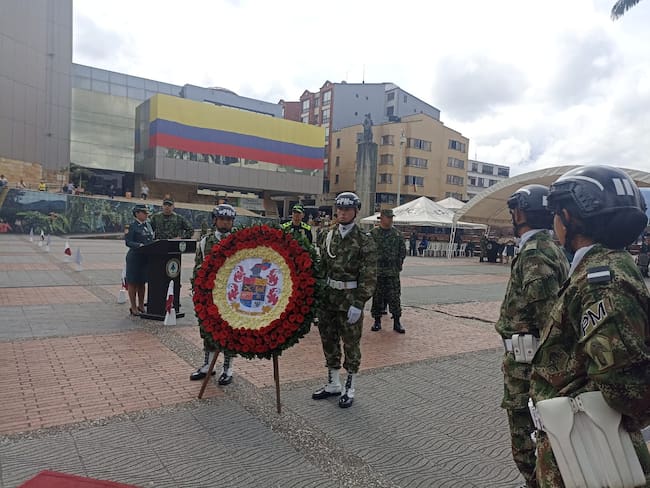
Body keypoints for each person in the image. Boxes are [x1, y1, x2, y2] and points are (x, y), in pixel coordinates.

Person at [529, 165, 650, 487]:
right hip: (582, 437)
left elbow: (624, 382)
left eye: (557, 213)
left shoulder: (601, 282)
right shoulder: (602, 267)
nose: (554, 221)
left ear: (569, 216)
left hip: (589, 447)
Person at [495, 184, 569, 488]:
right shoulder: (547, 247)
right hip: (529, 360)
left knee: (526, 443)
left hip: (528, 365)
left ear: (520, 212)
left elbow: (548, 319)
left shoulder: (535, 254)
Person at [312, 192, 377, 408]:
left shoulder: (364, 240)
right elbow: (321, 268)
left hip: (350, 299)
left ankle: (350, 386)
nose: (342, 213)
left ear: (355, 212)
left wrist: (359, 303)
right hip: (328, 298)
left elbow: (369, 276)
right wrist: (316, 296)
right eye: (339, 209)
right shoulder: (327, 235)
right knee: (328, 340)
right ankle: (333, 383)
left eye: (347, 209)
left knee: (351, 344)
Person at [190, 204, 237, 385]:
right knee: (207, 330)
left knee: (229, 332)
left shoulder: (238, 242)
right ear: (215, 220)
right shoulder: (204, 242)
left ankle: (228, 368)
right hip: (208, 297)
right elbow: (197, 268)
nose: (225, 223)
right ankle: (208, 365)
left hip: (230, 297)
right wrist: (198, 293)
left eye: (229, 220)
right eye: (222, 219)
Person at [370, 208, 406, 333]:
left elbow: (402, 252)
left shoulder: (397, 234)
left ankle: (397, 322)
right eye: (388, 217)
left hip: (392, 273)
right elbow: (368, 252)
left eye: (391, 217)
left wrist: (398, 266)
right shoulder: (373, 234)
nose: (391, 220)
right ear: (382, 218)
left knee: (395, 297)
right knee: (377, 297)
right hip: (378, 272)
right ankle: (377, 321)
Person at [124, 204, 154, 316]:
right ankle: (133, 306)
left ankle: (141, 305)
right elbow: (128, 242)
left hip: (145, 258)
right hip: (135, 257)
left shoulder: (149, 225)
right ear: (137, 213)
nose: (146, 215)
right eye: (144, 212)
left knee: (142, 282)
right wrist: (139, 245)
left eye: (147, 213)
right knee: (133, 282)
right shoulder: (131, 226)